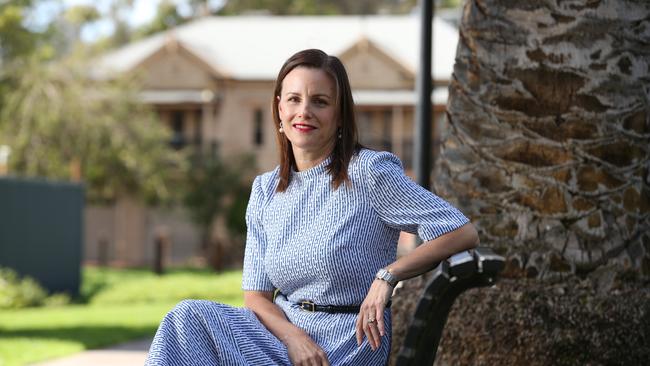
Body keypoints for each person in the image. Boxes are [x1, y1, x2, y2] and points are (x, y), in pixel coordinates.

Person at [145, 48, 478, 366]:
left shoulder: (368, 172)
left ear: (339, 113)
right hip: (282, 340)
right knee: (186, 319)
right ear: (279, 109)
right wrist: (293, 338)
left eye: (320, 102)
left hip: (346, 344)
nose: (304, 111)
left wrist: (387, 276)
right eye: (294, 99)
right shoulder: (265, 189)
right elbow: (256, 296)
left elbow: (461, 231)